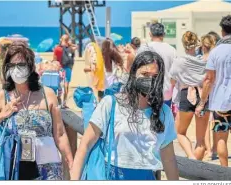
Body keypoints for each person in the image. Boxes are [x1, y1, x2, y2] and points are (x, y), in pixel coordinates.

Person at [70, 51, 179, 180]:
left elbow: (169, 159)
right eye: (144, 74)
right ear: (133, 74)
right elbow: (85, 146)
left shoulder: (164, 112)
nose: (149, 80)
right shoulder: (111, 104)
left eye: (154, 76)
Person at [0, 41, 73, 180]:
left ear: (31, 66)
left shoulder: (47, 94)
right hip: (17, 168)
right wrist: (3, 115)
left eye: (21, 65)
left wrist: (70, 162)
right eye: (12, 65)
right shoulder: (3, 96)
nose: (16, 69)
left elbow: (60, 134)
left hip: (50, 169)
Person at [195, 15, 231, 167]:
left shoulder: (216, 52)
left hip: (221, 102)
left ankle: (225, 173)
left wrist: (202, 102)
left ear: (222, 32)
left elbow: (209, 79)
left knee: (221, 138)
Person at [170, 31, 210, 160]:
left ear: (183, 44)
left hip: (186, 94)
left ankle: (191, 158)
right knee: (201, 140)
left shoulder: (179, 61)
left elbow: (172, 80)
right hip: (203, 96)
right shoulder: (204, 61)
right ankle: (195, 166)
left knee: (180, 133)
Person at [137, 22, 177, 108]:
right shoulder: (172, 50)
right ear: (164, 34)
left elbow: (137, 70)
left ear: (150, 34)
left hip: (147, 90)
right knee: (164, 118)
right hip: (166, 92)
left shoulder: (144, 48)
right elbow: (174, 75)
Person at [53, 34, 76, 108]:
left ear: (61, 39)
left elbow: (54, 60)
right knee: (66, 85)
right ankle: (64, 103)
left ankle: (58, 100)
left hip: (59, 68)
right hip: (68, 68)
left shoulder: (57, 48)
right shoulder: (70, 48)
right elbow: (76, 47)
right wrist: (70, 44)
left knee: (58, 85)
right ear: (67, 40)